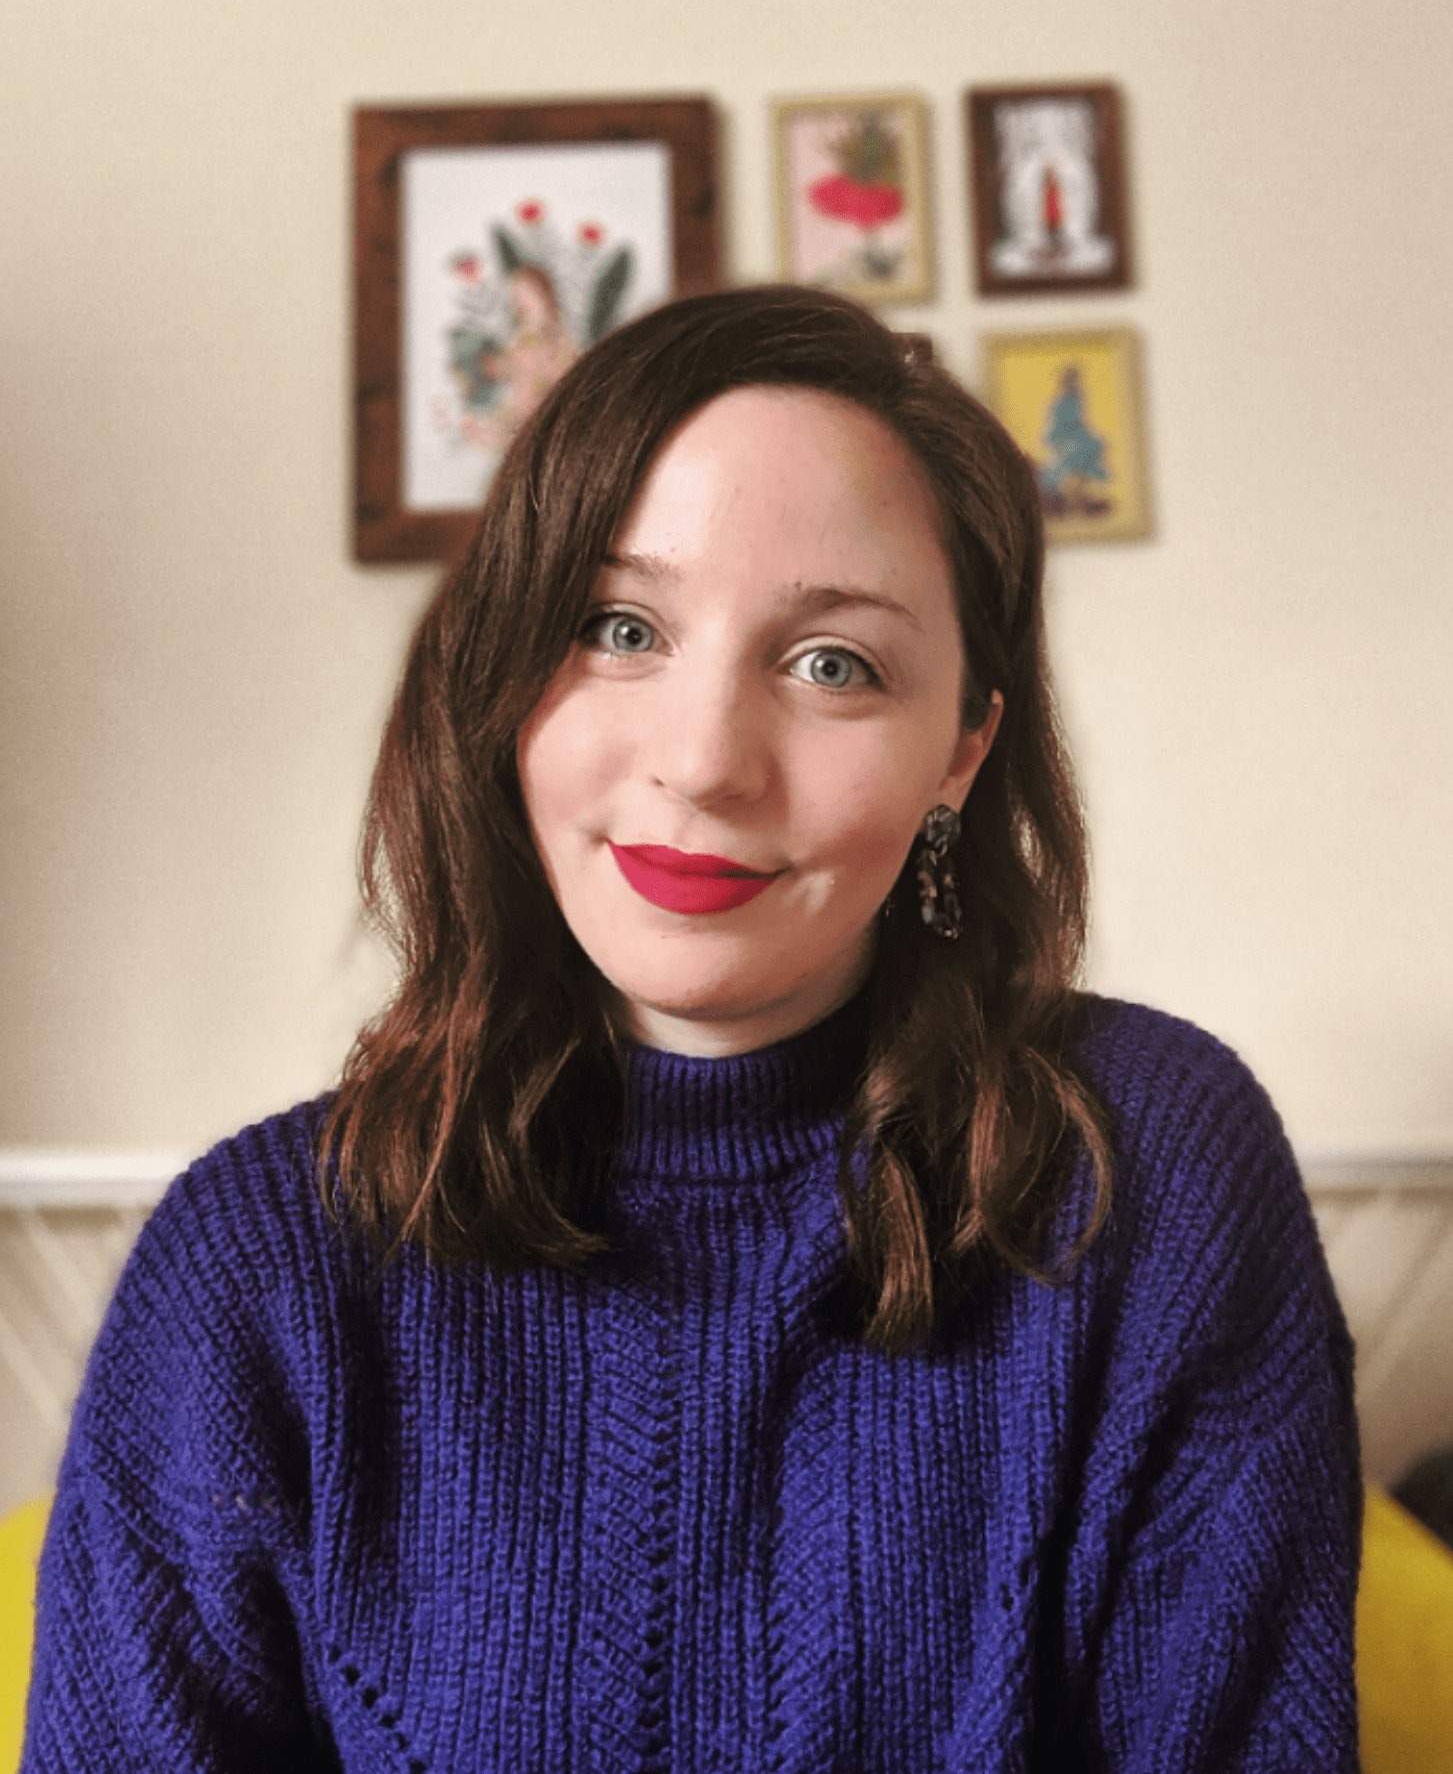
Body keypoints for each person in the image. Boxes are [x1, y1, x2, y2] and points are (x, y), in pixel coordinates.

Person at [23, 286, 1360, 1772]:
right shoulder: (254, 1272)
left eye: (833, 662)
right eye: (619, 626)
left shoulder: (1150, 1164)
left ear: (961, 754)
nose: (708, 760)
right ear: (502, 677)